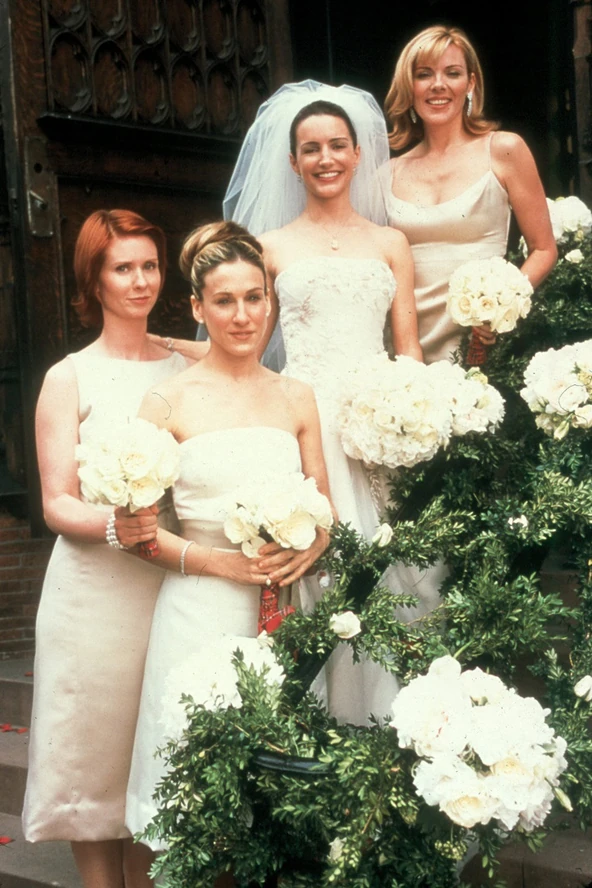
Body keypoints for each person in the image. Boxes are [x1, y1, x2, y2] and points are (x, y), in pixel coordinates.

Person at [123, 221, 331, 878]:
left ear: (270, 300)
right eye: (224, 300)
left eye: (254, 298)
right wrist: (220, 564)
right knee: (192, 800)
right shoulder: (167, 401)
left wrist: (308, 550)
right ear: (197, 307)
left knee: (271, 804)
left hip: (281, 612)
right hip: (199, 611)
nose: (243, 316)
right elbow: (135, 532)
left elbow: (323, 512)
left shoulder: (296, 396)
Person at [222, 81, 425, 725]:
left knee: (391, 571)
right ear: (292, 162)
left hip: (377, 426)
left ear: (359, 153)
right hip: (306, 425)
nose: (325, 158)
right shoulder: (270, 247)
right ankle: (323, 725)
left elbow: (409, 350)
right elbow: (246, 343)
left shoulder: (391, 244)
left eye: (338, 145)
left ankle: (389, 725)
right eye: (311, 149)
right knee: (318, 568)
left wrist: (415, 416)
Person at [21, 210, 189, 888]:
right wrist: (121, 525)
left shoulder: (186, 368)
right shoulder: (69, 377)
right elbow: (56, 502)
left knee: (153, 760)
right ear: (93, 281)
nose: (141, 280)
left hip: (167, 590)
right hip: (92, 594)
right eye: (123, 268)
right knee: (91, 764)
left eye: (150, 266)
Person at [385, 24, 557, 364]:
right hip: (405, 352)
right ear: (409, 86)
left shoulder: (504, 150)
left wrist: (502, 305)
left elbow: (544, 249)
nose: (438, 85)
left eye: (452, 73)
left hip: (482, 346)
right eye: (424, 74)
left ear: (471, 83)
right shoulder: (386, 174)